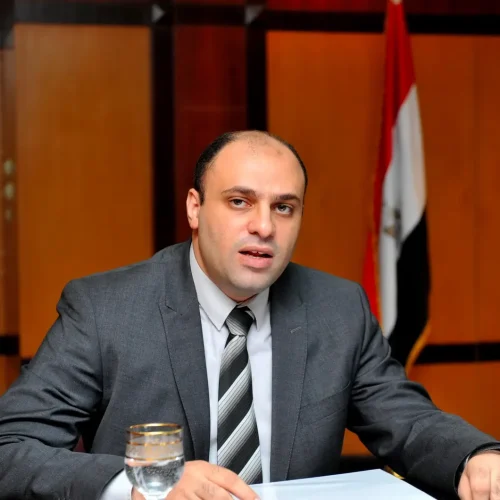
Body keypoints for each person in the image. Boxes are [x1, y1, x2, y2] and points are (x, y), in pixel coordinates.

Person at [0, 130, 499, 500]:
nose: (264, 226)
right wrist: (141, 486)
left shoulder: (338, 309)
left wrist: (475, 457)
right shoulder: (105, 310)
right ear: (194, 208)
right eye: (240, 202)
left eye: (284, 208)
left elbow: (408, 422)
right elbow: (11, 449)